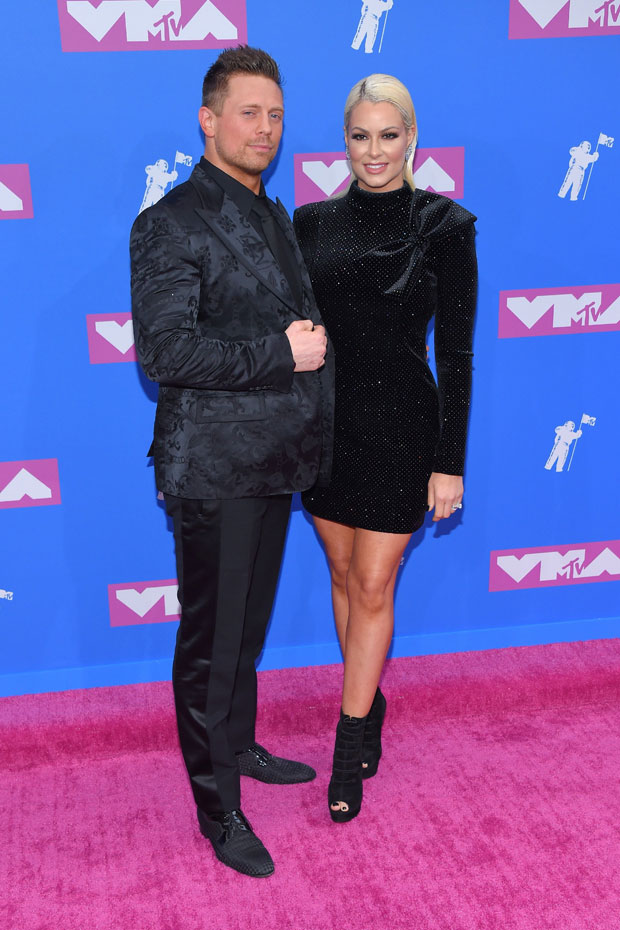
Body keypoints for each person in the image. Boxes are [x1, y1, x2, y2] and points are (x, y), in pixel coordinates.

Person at [130, 46, 334, 877]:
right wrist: (280, 353)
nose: (266, 129)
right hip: (214, 467)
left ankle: (239, 747)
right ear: (208, 120)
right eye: (249, 113)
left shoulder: (274, 213)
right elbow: (165, 352)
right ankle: (219, 811)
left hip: (275, 460)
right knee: (212, 647)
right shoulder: (171, 221)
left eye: (276, 115)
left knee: (244, 633)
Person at [293, 74, 477, 822]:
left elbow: (457, 354)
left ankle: (347, 749)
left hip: (403, 426)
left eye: (389, 135)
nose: (374, 151)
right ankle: (368, 705)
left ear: (412, 139)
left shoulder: (446, 225)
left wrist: (449, 461)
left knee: (373, 585)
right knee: (342, 574)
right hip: (329, 426)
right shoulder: (309, 223)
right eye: (361, 136)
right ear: (345, 140)